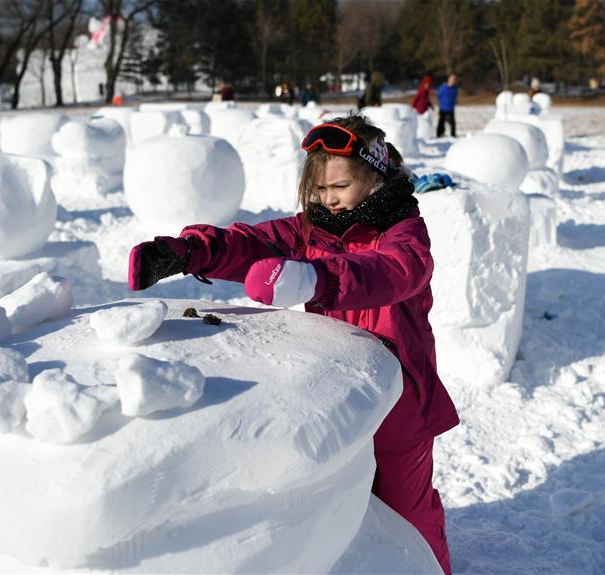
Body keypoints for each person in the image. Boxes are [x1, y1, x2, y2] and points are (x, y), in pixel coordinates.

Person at [127, 115, 459, 575]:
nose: (328, 199)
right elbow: (253, 243)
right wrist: (189, 251)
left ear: (374, 175)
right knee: (347, 501)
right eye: (319, 190)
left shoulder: (403, 231)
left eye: (339, 186)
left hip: (403, 399)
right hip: (343, 387)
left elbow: (397, 272)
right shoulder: (312, 229)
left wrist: (316, 279)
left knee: (406, 506)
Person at [436, 74, 458, 138]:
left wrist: (454, 102)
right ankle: (439, 134)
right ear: (448, 79)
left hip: (451, 108)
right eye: (452, 79)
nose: (453, 80)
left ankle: (453, 135)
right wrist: (442, 101)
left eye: (454, 79)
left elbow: (455, 96)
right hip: (443, 108)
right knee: (441, 122)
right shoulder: (443, 87)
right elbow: (438, 95)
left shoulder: (455, 88)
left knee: (453, 123)